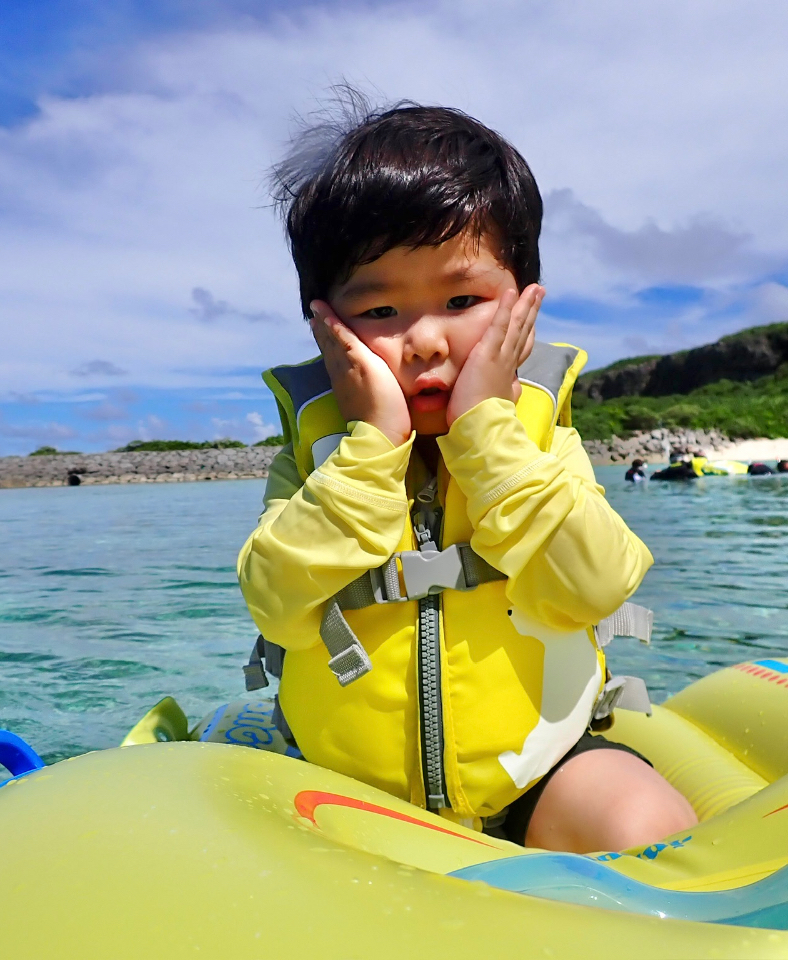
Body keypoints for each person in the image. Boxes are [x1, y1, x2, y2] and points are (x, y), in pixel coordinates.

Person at [238, 96, 696, 854]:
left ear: (523, 307)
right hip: (349, 790)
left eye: (461, 301)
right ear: (326, 326)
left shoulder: (540, 436)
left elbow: (596, 584)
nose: (423, 341)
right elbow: (275, 606)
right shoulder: (317, 453)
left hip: (536, 774)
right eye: (381, 308)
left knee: (641, 825)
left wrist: (486, 435)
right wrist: (371, 451)